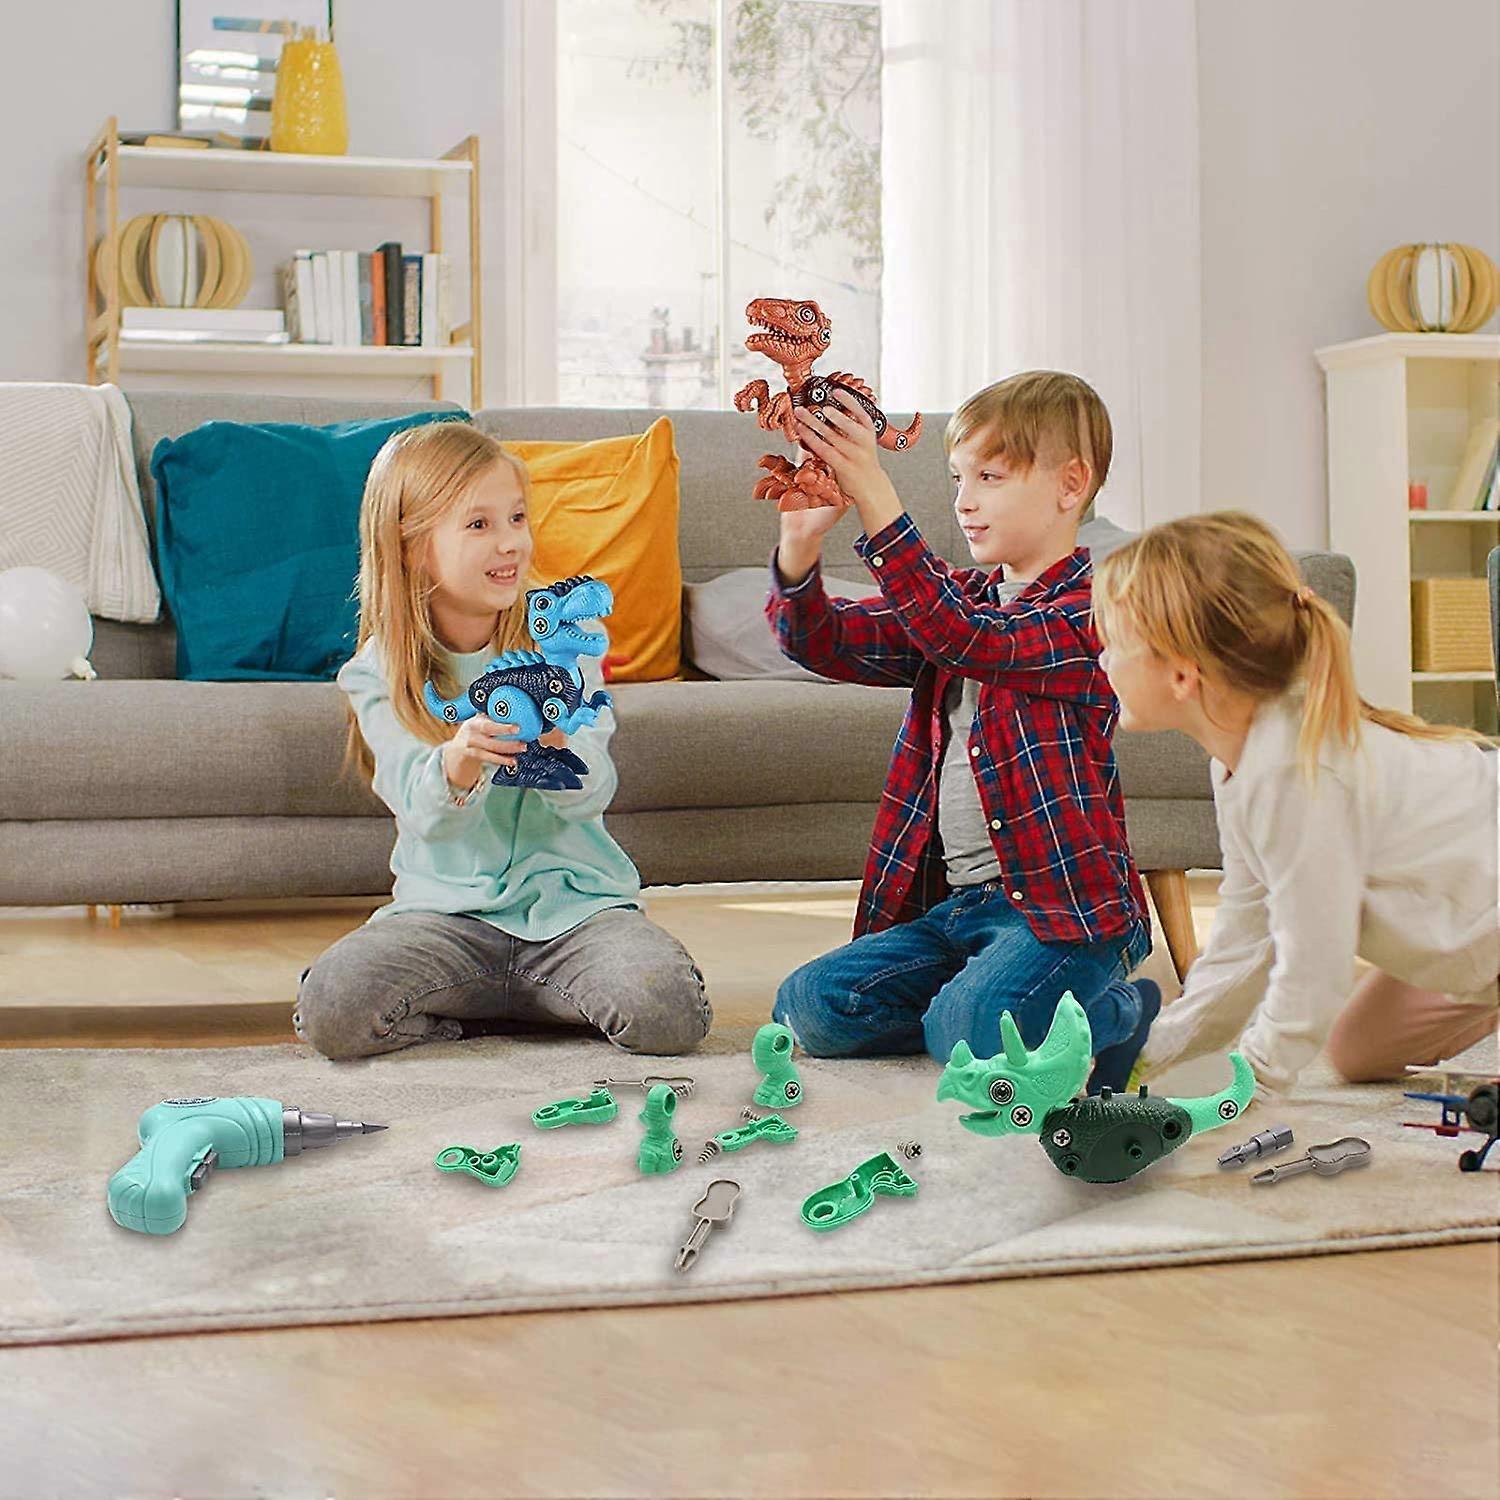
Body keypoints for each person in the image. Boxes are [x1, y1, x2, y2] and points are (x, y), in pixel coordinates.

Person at [293, 421, 709, 1060]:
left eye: (516, 517)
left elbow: (592, 794)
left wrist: (561, 747)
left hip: (576, 915)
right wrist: (458, 764)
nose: (511, 541)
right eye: (479, 524)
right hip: (443, 920)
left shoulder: (562, 642)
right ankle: (509, 1015)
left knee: (666, 1009)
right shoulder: (378, 673)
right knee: (333, 1008)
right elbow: (426, 818)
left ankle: (531, 1000)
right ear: (410, 546)